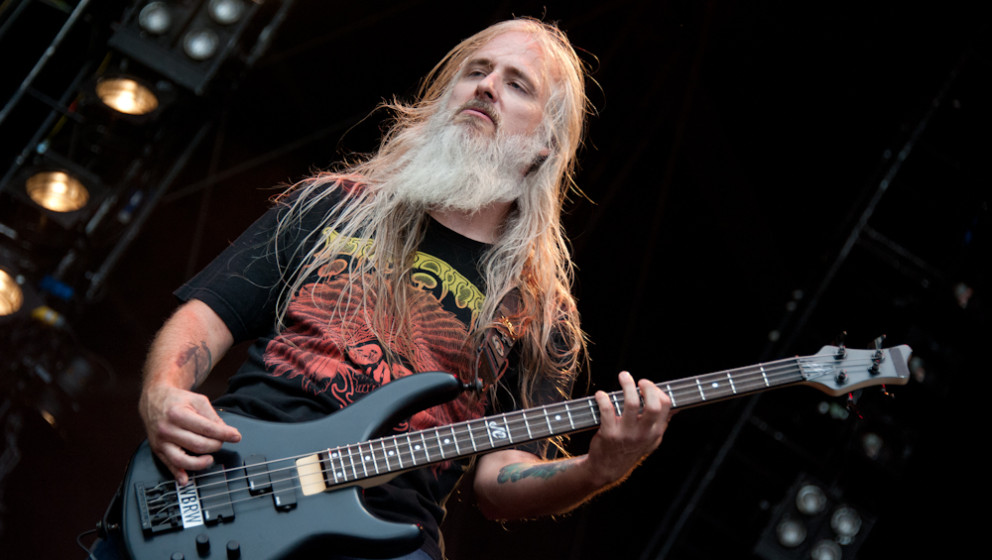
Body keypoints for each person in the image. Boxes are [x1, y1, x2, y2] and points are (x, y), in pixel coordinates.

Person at [136, 18, 672, 560]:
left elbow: (500, 480)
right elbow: (208, 317)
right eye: (477, 71)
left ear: (544, 145)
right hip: (229, 482)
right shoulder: (335, 204)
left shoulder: (537, 313)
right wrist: (162, 392)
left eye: (517, 84)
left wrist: (597, 469)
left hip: (380, 534)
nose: (486, 86)